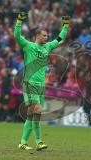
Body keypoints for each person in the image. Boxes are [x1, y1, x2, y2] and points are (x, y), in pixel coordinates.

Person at [14, 12, 69, 150]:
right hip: (29, 83)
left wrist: (66, 26)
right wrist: (19, 21)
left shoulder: (47, 47)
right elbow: (16, 35)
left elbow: (60, 38)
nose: (46, 37)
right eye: (44, 35)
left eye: (47, 36)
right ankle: (39, 141)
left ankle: (23, 142)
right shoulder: (28, 46)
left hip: (41, 85)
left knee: (32, 113)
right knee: (38, 110)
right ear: (37, 36)